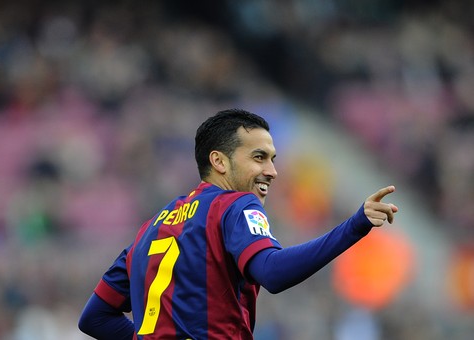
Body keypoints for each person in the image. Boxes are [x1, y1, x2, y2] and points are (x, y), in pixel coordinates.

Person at [78, 108, 398, 339]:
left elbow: (95, 317)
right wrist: (353, 226)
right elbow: (272, 272)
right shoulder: (233, 205)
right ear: (219, 161)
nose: (272, 171)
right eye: (259, 157)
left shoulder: (149, 229)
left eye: (273, 159)